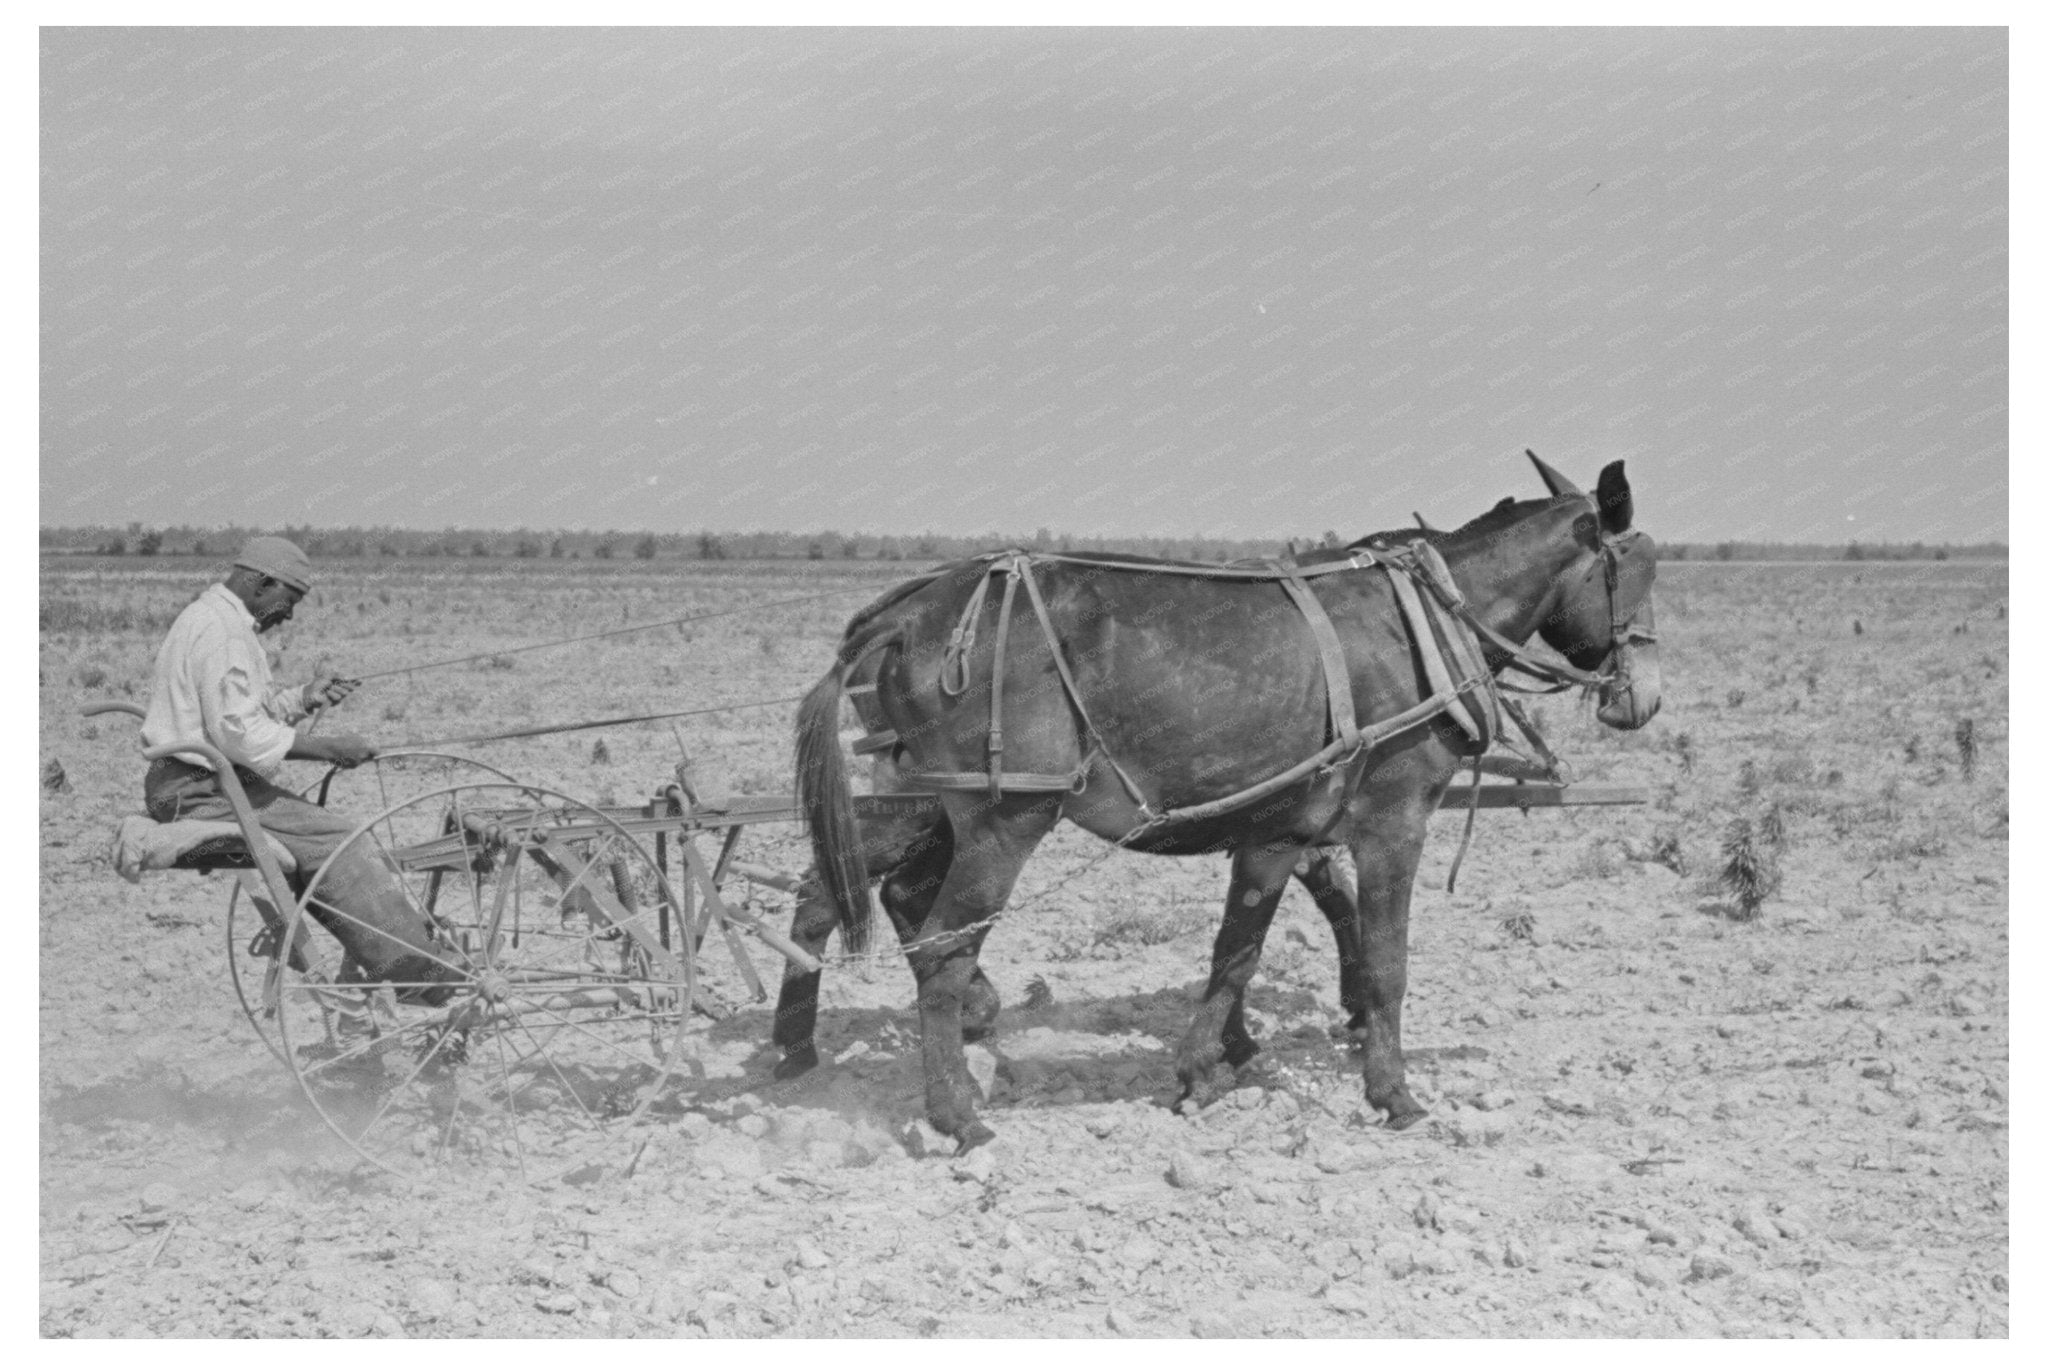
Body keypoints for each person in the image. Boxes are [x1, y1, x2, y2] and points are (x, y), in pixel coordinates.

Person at [140, 536, 461, 1004]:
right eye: (288, 601)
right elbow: (239, 735)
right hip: (204, 789)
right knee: (337, 841)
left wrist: (304, 697)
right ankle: (416, 972)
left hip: (195, 781)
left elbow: (239, 714)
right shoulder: (224, 633)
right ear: (263, 582)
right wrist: (327, 747)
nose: (287, 615)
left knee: (322, 837)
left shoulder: (211, 619)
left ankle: (389, 957)